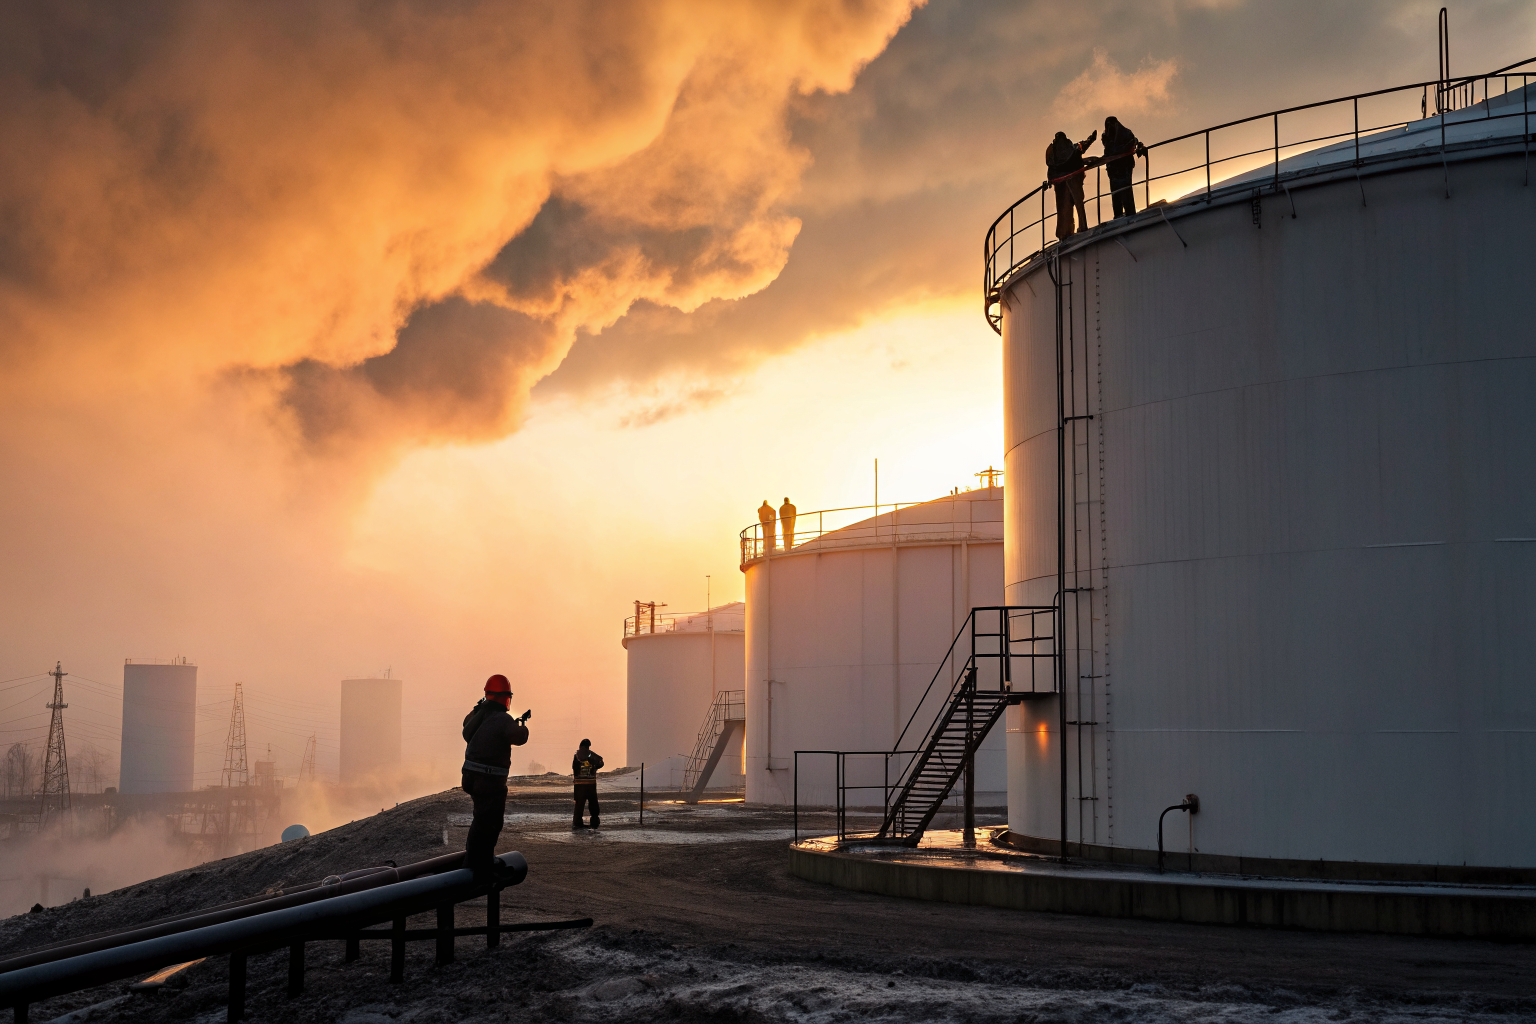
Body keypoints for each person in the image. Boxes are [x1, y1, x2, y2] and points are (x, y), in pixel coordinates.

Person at [461, 674, 530, 881]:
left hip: (471, 777)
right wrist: (522, 726)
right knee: (490, 823)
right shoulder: (502, 719)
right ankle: (481, 865)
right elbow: (519, 738)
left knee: (480, 820)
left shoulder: (479, 715)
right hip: (489, 782)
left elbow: (466, 725)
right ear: (506, 698)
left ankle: (475, 859)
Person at [1045, 129, 1097, 239]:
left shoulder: (1054, 154)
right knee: (1073, 206)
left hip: (1063, 186)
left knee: (1065, 208)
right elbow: (1080, 148)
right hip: (1068, 184)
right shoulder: (1069, 150)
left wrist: (1090, 140)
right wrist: (1090, 140)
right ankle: (1074, 229)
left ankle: (1068, 231)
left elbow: (1080, 147)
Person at [1102, 116, 1146, 219]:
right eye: (1107, 125)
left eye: (1111, 124)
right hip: (1113, 169)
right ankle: (1118, 216)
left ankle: (1130, 214)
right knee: (1115, 193)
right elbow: (1108, 151)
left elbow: (1133, 142)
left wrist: (1139, 146)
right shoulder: (1106, 136)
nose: (1110, 127)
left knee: (1126, 191)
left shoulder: (1126, 133)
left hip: (1124, 167)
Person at [572, 739, 604, 829]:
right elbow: (601, 762)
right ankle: (594, 822)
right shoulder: (591, 755)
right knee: (593, 804)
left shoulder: (576, 756)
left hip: (579, 785)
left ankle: (577, 823)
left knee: (579, 805)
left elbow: (575, 769)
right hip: (591, 784)